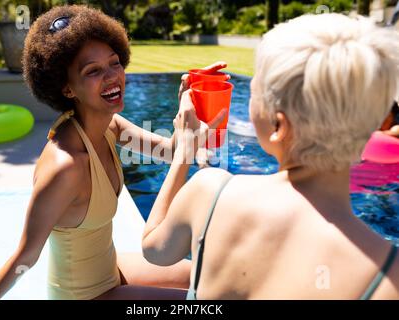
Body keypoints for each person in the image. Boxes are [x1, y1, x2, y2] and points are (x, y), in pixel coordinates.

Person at [142, 13, 399, 299]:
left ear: (279, 126)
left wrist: (185, 152)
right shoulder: (388, 276)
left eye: (255, 89)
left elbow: (154, 249)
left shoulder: (211, 192)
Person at [0, 5, 225, 300]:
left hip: (110, 269)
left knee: (216, 276)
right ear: (67, 88)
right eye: (93, 71)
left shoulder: (110, 126)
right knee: (203, 303)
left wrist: (188, 98)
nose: (113, 77)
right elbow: (25, 256)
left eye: (114, 63)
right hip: (82, 296)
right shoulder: (65, 167)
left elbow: (171, 151)